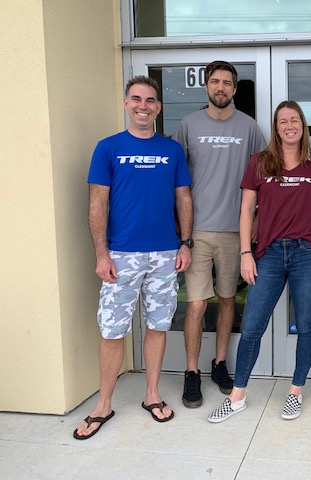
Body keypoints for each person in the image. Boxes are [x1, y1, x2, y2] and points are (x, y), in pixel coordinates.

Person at [73, 76, 193, 440]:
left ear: (158, 107)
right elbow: (97, 203)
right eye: (136, 99)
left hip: (164, 253)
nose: (143, 105)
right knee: (112, 330)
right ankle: (103, 405)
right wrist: (101, 253)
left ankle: (151, 395)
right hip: (121, 254)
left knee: (158, 325)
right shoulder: (108, 148)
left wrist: (185, 243)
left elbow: (183, 198)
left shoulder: (171, 150)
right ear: (126, 103)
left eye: (150, 100)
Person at [208, 100, 311, 423]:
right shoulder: (260, 163)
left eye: (294, 120)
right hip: (269, 253)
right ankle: (237, 396)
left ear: (303, 126)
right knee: (252, 326)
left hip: (308, 253)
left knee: (306, 326)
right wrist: (245, 252)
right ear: (276, 128)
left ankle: (295, 391)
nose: (289, 126)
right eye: (283, 121)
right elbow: (247, 209)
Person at [174, 61, 266, 407]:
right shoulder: (188, 125)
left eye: (227, 83)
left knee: (228, 299)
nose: (221, 88)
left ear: (235, 89)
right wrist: (179, 231)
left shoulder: (250, 128)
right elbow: (176, 179)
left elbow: (262, 178)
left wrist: (256, 221)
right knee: (197, 304)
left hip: (233, 231)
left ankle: (219, 363)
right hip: (197, 230)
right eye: (215, 81)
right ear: (207, 86)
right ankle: (191, 371)